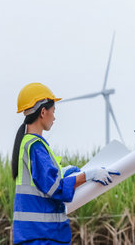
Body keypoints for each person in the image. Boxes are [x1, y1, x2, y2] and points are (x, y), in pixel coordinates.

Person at [12, 82, 120, 244]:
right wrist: (88, 175)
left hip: (35, 233)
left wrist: (67, 172)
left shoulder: (28, 144)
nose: (54, 117)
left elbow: (42, 180)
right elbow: (55, 188)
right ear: (43, 112)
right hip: (42, 235)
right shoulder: (35, 146)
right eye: (53, 111)